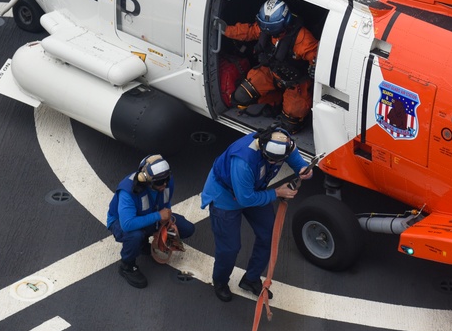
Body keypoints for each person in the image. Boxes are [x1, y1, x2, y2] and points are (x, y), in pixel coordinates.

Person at [200, 128, 313, 302]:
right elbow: (245, 199)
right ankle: (220, 281)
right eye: (271, 160)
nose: (275, 164)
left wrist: (302, 167)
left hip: (253, 190)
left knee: (269, 234)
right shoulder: (242, 161)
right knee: (230, 248)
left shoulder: (283, 143)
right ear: (262, 148)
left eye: (279, 161)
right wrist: (277, 193)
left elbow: (293, 156)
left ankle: (251, 278)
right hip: (225, 198)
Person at [225, 0, 318, 134]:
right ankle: (274, 102)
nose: (269, 33)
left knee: (290, 125)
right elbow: (249, 31)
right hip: (271, 73)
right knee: (241, 96)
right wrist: (226, 30)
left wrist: (315, 67)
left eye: (274, 30)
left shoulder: (302, 39)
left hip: (296, 84)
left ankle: (288, 108)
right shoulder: (265, 29)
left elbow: (316, 57)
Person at [106, 154, 195, 289]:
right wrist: (158, 217)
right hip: (121, 222)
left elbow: (166, 203)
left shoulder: (166, 182)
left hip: (153, 215)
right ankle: (127, 266)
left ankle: (143, 244)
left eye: (166, 179)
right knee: (135, 235)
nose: (164, 184)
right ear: (146, 180)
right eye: (160, 182)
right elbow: (127, 224)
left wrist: (166, 224)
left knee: (187, 229)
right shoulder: (128, 192)